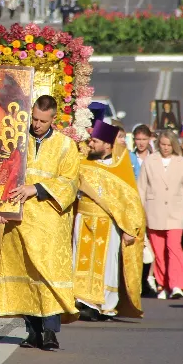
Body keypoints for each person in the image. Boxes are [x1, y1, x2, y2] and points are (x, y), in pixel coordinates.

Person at [0, 95, 80, 351]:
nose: (37, 124)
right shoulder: (16, 140)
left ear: (54, 119)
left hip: (50, 222)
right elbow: (0, 175)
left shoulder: (66, 146)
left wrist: (37, 188)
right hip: (19, 221)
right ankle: (32, 332)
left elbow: (70, 181)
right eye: (34, 118)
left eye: (43, 120)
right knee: (26, 275)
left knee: (48, 274)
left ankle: (50, 332)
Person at [73, 121, 145, 321]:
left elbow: (129, 201)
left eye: (95, 141)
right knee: (81, 260)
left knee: (107, 264)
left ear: (108, 144)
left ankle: (105, 305)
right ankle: (84, 302)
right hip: (84, 219)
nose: (91, 144)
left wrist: (130, 228)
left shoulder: (120, 168)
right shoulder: (84, 162)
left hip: (109, 223)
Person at [137, 130, 183, 300]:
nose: (165, 148)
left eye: (168, 145)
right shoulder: (150, 161)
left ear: (174, 145)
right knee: (158, 250)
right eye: (162, 144)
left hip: (175, 212)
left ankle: (177, 284)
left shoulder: (181, 163)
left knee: (174, 247)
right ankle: (162, 284)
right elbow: (141, 188)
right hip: (153, 211)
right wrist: (139, 212)